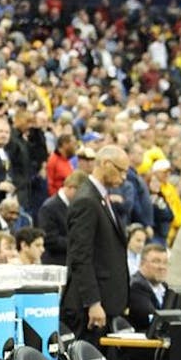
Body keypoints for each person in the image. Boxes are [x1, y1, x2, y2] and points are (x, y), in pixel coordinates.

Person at [61, 145, 132, 342]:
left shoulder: (100, 198)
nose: (124, 177)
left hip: (106, 302)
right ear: (106, 164)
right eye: (121, 170)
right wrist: (92, 302)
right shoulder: (87, 200)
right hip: (91, 308)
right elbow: (80, 256)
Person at [37, 170, 87, 266]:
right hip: (56, 262)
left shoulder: (77, 206)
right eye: (80, 192)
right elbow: (50, 239)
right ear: (70, 187)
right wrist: (77, 244)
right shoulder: (49, 208)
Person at [128, 243, 170, 331]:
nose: (162, 267)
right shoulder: (136, 286)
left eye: (165, 262)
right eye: (156, 261)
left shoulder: (165, 287)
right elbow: (152, 319)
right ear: (142, 263)